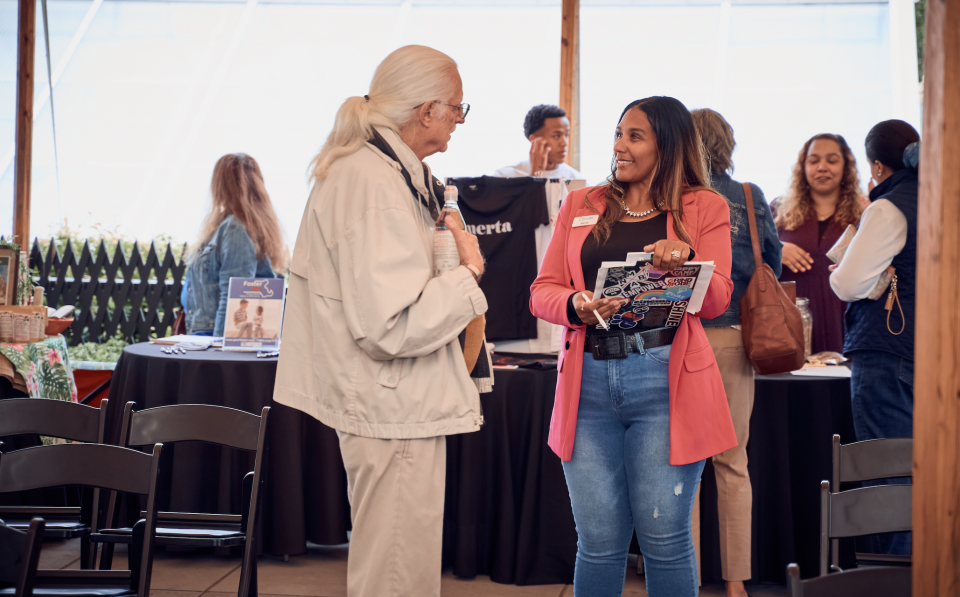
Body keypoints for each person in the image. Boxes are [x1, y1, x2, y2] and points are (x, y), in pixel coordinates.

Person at [272, 45, 486, 597]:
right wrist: (468, 274)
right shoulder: (374, 183)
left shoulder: (383, 172)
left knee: (397, 565)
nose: (461, 121)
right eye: (459, 108)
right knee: (397, 574)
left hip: (397, 403)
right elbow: (390, 326)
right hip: (394, 404)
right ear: (427, 110)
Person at [530, 96, 736, 596]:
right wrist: (575, 303)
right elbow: (542, 290)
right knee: (598, 543)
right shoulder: (582, 204)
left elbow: (718, 299)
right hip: (589, 385)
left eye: (634, 136)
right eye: (619, 133)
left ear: (667, 145)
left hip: (664, 384)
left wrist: (684, 262)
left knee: (665, 538)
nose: (619, 145)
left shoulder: (704, 206)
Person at [690, 109, 782, 597]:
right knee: (732, 460)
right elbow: (774, 259)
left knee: (681, 463)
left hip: (680, 337)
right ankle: (736, 582)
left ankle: (683, 573)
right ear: (728, 142)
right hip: (732, 337)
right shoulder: (749, 195)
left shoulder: (677, 198)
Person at [830, 120, 919, 556]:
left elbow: (846, 284)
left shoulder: (888, 207)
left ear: (877, 167)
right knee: (923, 471)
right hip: (928, 350)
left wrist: (864, 277)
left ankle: (893, 578)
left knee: (891, 475)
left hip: (885, 351)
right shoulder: (936, 197)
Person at [772, 134, 863, 354]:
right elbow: (753, 257)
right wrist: (777, 250)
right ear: (803, 167)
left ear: (846, 166)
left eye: (831, 160)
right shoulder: (777, 210)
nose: (822, 167)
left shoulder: (864, 214)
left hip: (846, 323)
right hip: (790, 324)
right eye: (814, 161)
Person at [182, 153, 288, 337]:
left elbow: (234, 295)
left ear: (221, 185)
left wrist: (220, 350)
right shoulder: (228, 225)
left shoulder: (235, 228)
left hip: (213, 338)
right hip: (205, 335)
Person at [493, 104, 583, 179]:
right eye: (556, 136)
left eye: (566, 135)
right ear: (534, 140)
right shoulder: (506, 177)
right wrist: (536, 172)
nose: (564, 143)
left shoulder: (578, 180)